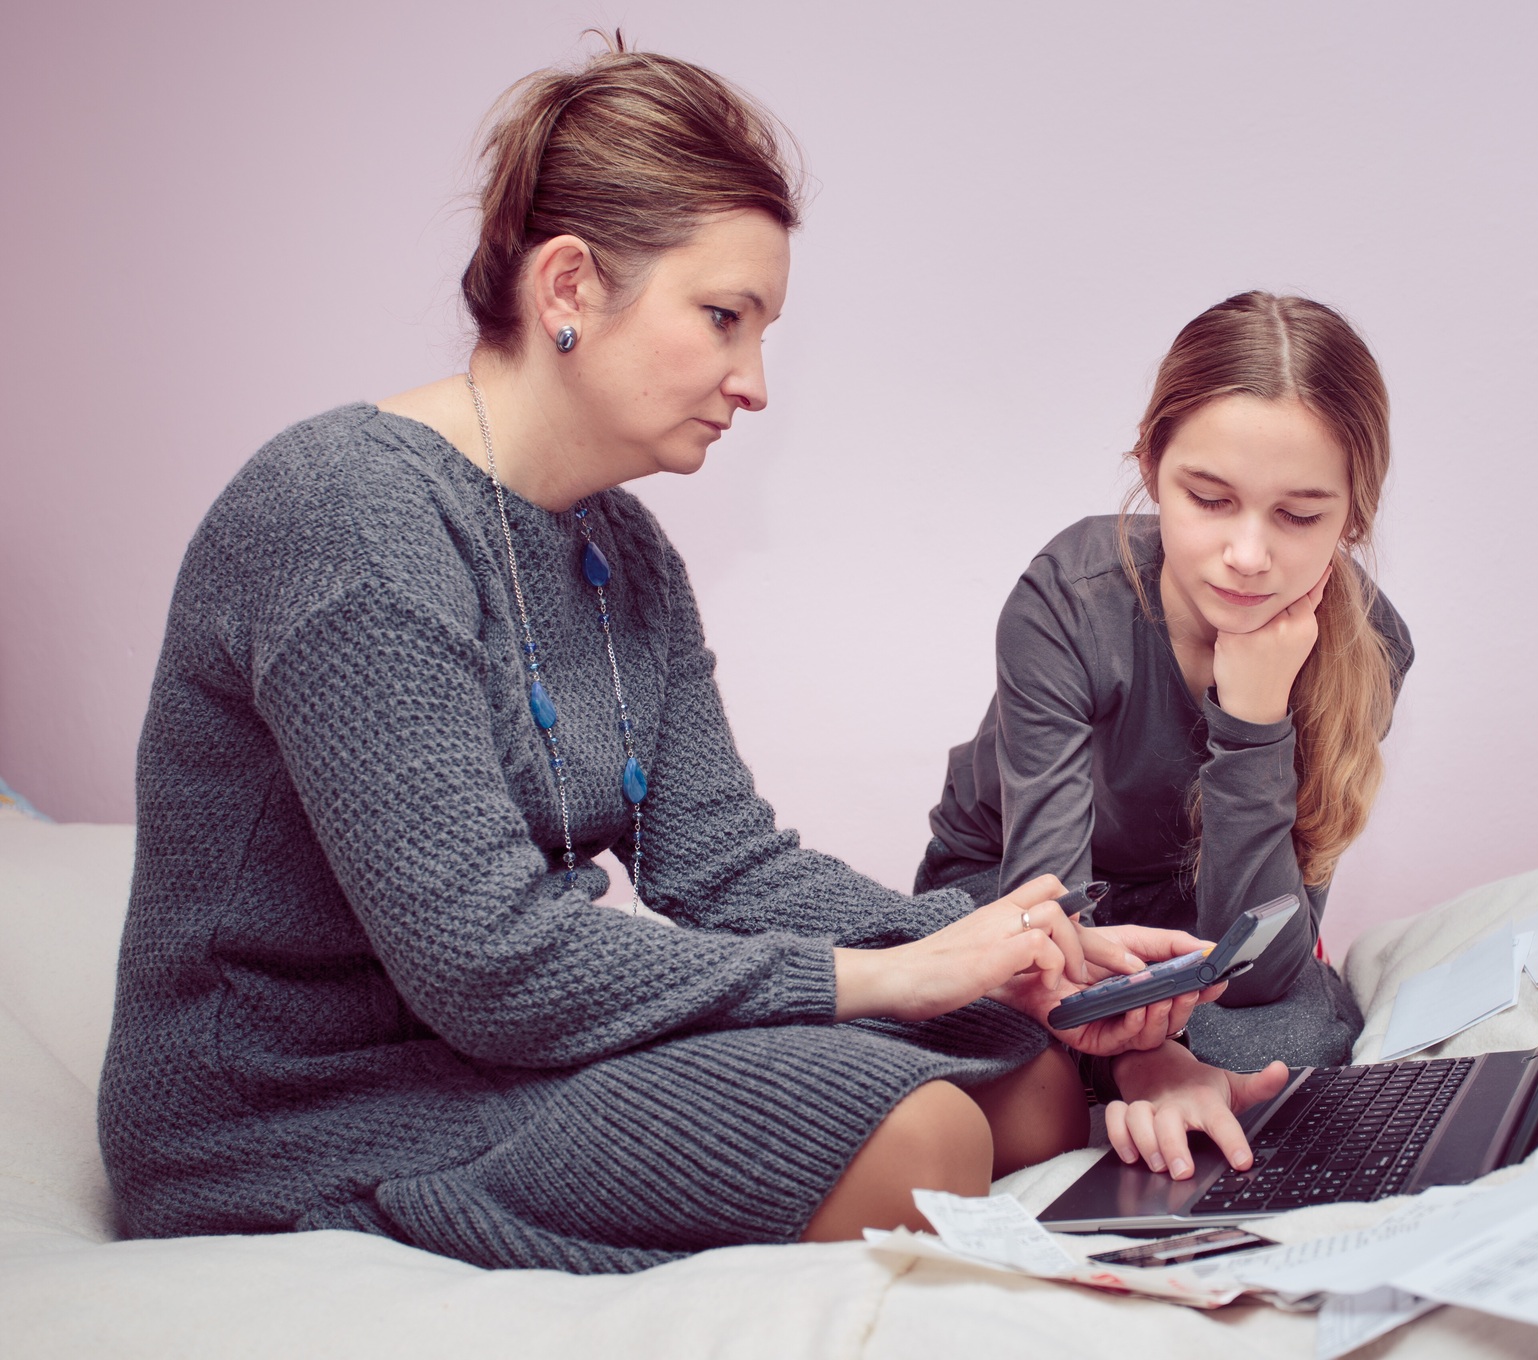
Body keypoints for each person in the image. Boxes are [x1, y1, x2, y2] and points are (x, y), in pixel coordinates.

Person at [95, 44, 1226, 1275]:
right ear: (569, 284)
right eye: (723, 319)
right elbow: (490, 963)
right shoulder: (344, 515)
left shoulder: (621, 549)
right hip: (291, 1110)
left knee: (1036, 1069)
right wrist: (892, 976)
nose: (751, 383)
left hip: (493, 1046)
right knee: (920, 1135)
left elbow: (724, 864)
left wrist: (1008, 957)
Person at [919, 292, 1416, 1110]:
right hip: (1016, 901)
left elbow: (1258, 968)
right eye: (1209, 500)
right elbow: (1047, 924)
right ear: (1151, 468)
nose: (1248, 555)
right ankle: (1135, 1074)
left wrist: (1255, 717)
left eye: (1297, 515)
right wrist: (1145, 1056)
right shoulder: (1070, 603)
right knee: (994, 1021)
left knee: (1294, 1041)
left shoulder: (1372, 646)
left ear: (1351, 520)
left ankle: (1156, 1072)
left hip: (1199, 931)